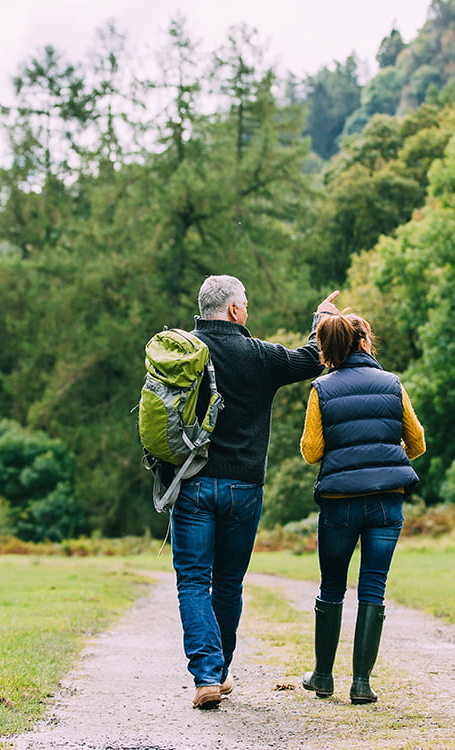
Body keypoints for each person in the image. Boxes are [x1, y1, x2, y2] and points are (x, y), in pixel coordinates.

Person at [173, 275, 340, 710]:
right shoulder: (257, 355)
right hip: (244, 488)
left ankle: (207, 675)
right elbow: (311, 358)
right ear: (232, 311)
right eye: (244, 305)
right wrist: (321, 317)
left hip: (191, 485)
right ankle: (219, 671)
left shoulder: (181, 353)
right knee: (227, 583)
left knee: (192, 581)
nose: (247, 311)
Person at [298, 312, 424, 705]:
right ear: (365, 341)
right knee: (374, 587)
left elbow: (312, 451)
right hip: (387, 503)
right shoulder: (392, 385)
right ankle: (362, 684)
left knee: (332, 587)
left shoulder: (322, 388)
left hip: (339, 506)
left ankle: (322, 676)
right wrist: (388, 455)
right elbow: (417, 442)